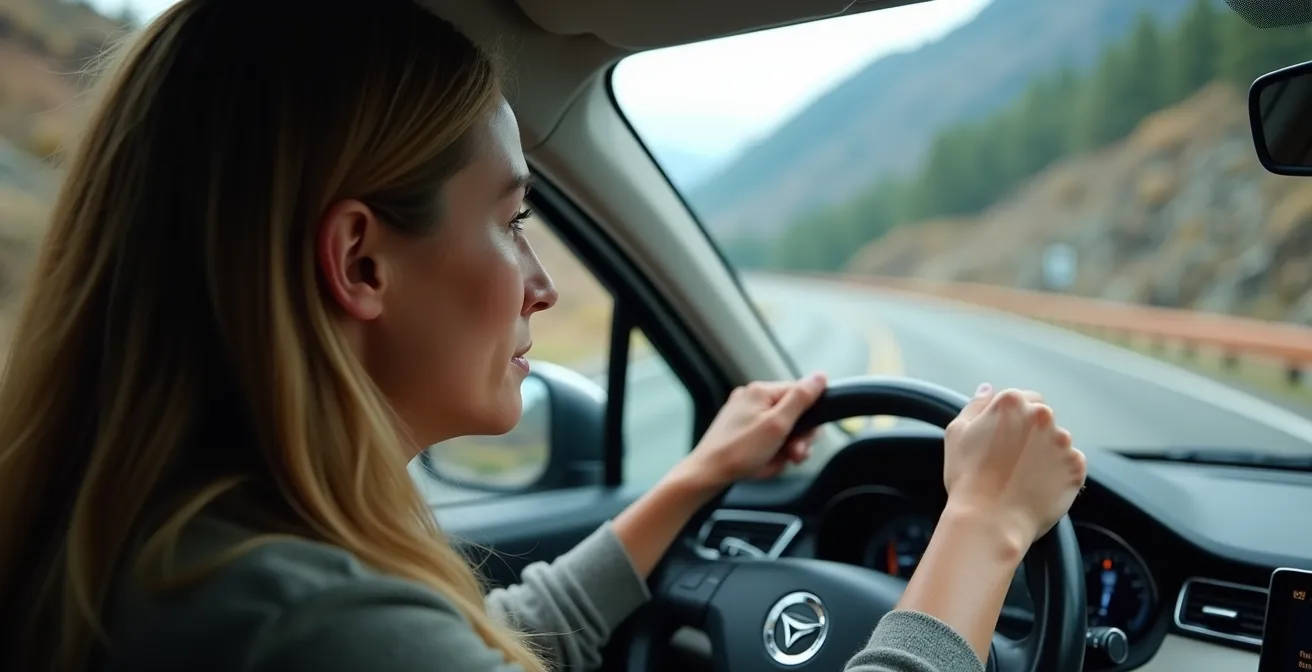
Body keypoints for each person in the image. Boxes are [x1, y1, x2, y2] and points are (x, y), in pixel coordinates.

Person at [0, 1, 1087, 671]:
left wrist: (694, 479)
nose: (539, 288)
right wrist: (984, 527)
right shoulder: (292, 621)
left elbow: (492, 640)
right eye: (512, 222)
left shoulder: (180, 557)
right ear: (360, 263)